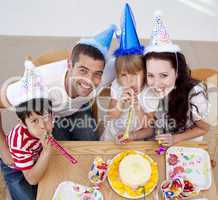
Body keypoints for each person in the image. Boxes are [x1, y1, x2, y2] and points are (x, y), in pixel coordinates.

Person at [0, 25, 116, 168]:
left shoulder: (106, 73)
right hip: (50, 116)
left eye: (97, 73)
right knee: (60, 156)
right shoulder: (42, 80)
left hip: (78, 109)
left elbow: (134, 66)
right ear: (69, 64)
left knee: (91, 143)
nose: (89, 80)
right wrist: (3, 148)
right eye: (83, 70)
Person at [143, 13, 209, 146]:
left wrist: (175, 139)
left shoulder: (194, 94)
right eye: (151, 75)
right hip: (160, 143)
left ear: (177, 73)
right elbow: (153, 128)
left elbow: (204, 128)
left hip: (185, 143)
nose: (156, 84)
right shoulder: (148, 91)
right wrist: (132, 135)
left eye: (164, 75)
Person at [101, 3, 159, 142]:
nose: (129, 81)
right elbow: (111, 115)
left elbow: (148, 126)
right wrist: (121, 102)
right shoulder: (117, 85)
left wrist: (137, 106)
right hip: (112, 137)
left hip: (135, 140)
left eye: (134, 74)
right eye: (124, 75)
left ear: (144, 72)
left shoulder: (150, 92)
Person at [1, 60, 53, 200]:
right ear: (23, 123)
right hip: (16, 168)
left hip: (35, 156)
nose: (43, 125)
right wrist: (47, 151)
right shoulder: (19, 142)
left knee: (53, 185)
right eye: (34, 121)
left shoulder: (46, 124)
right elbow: (31, 179)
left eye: (46, 116)